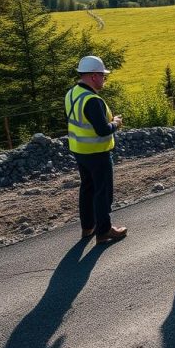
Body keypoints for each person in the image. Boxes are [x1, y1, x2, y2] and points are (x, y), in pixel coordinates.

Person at [65, 56, 127, 244]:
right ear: (93, 76)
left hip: (79, 150)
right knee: (102, 191)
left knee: (87, 188)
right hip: (97, 152)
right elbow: (102, 130)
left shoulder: (72, 93)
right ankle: (104, 230)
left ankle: (88, 226)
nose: (104, 80)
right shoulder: (92, 100)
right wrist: (115, 123)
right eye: (103, 76)